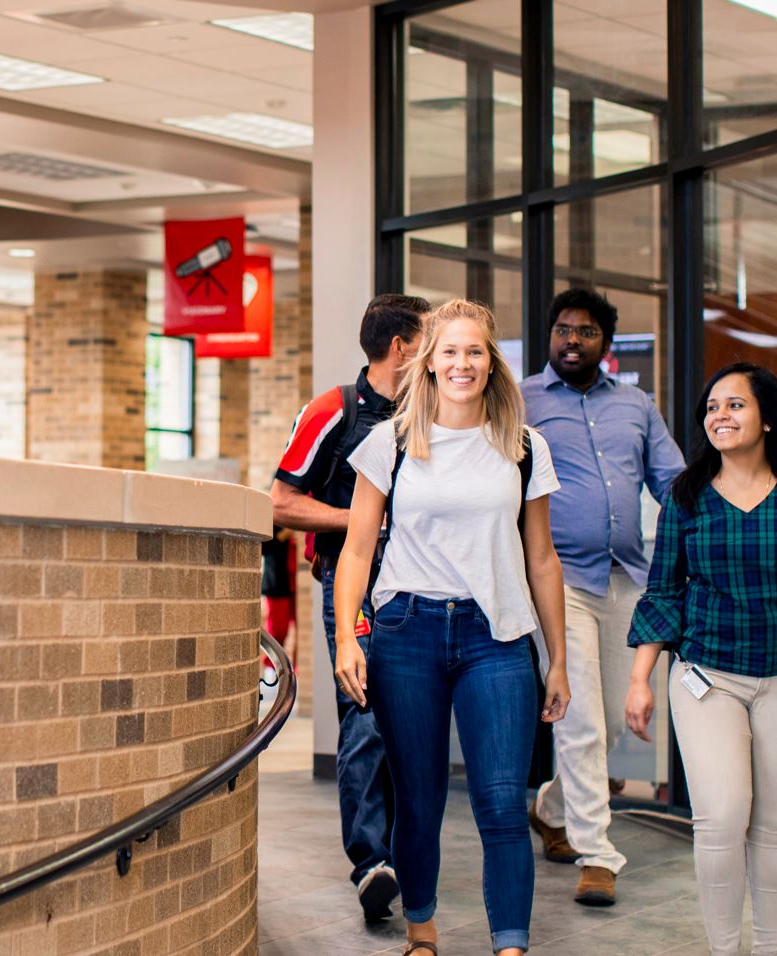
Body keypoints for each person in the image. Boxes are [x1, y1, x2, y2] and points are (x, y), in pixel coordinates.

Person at [330, 299, 571, 956]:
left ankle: (511, 946)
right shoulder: (390, 442)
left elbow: (542, 559)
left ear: (491, 362)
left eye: (475, 352)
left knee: (499, 802)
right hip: (406, 632)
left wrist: (557, 659)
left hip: (495, 637)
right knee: (420, 797)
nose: (462, 363)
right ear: (428, 362)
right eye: (450, 352)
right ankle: (422, 929)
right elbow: (356, 550)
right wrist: (350, 637)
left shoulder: (522, 446)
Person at [623, 362, 777, 956]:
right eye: (711, 407)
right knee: (724, 816)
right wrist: (640, 679)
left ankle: (770, 948)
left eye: (734, 405)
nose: (719, 416)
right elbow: (664, 591)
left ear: (767, 417)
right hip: (708, 675)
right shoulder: (686, 496)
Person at [518, 289, 684, 906]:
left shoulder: (637, 407)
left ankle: (553, 806)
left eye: (585, 332)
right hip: (558, 582)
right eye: (562, 329)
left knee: (611, 717)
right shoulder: (523, 401)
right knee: (582, 715)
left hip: (625, 578)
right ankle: (598, 854)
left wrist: (723, 522)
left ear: (605, 344)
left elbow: (671, 482)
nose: (571, 340)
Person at [270, 293, 428, 918]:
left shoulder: (433, 412)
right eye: (426, 344)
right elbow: (279, 502)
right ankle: (372, 865)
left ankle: (405, 853)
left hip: (421, 588)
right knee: (363, 717)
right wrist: (362, 521)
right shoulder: (334, 409)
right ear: (400, 348)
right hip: (354, 586)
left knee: (409, 722)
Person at [260, 524, 299, 671]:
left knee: (296, 633)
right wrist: (285, 534)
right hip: (277, 585)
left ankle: (291, 673)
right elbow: (265, 547)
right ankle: (272, 672)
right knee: (277, 632)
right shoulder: (273, 520)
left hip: (293, 583)